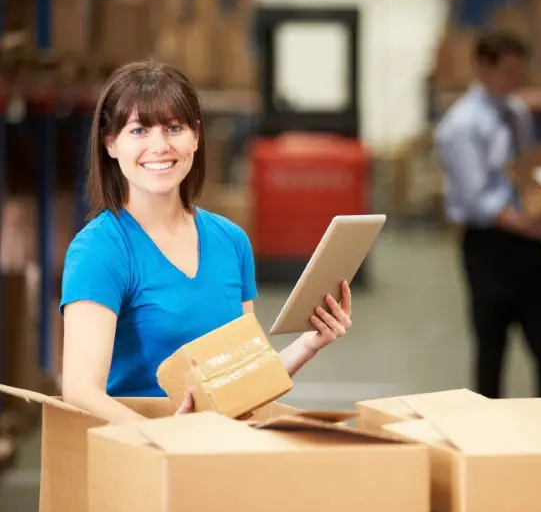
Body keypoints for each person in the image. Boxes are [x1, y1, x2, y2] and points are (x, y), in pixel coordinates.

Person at [60, 61, 354, 423]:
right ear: (110, 143)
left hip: (217, 451)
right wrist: (165, 436)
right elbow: (80, 389)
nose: (160, 146)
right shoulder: (100, 250)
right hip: (141, 458)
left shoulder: (231, 241)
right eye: (138, 130)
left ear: (196, 136)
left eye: (173, 127)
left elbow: (246, 377)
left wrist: (310, 341)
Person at [435, 31, 541, 399]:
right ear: (483, 67)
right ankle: (487, 432)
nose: (515, 80)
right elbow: (477, 198)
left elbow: (522, 172)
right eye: (508, 71)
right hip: (489, 244)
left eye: (519, 71)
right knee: (492, 345)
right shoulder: (462, 124)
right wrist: (523, 224)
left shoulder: (517, 112)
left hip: (526, 241)